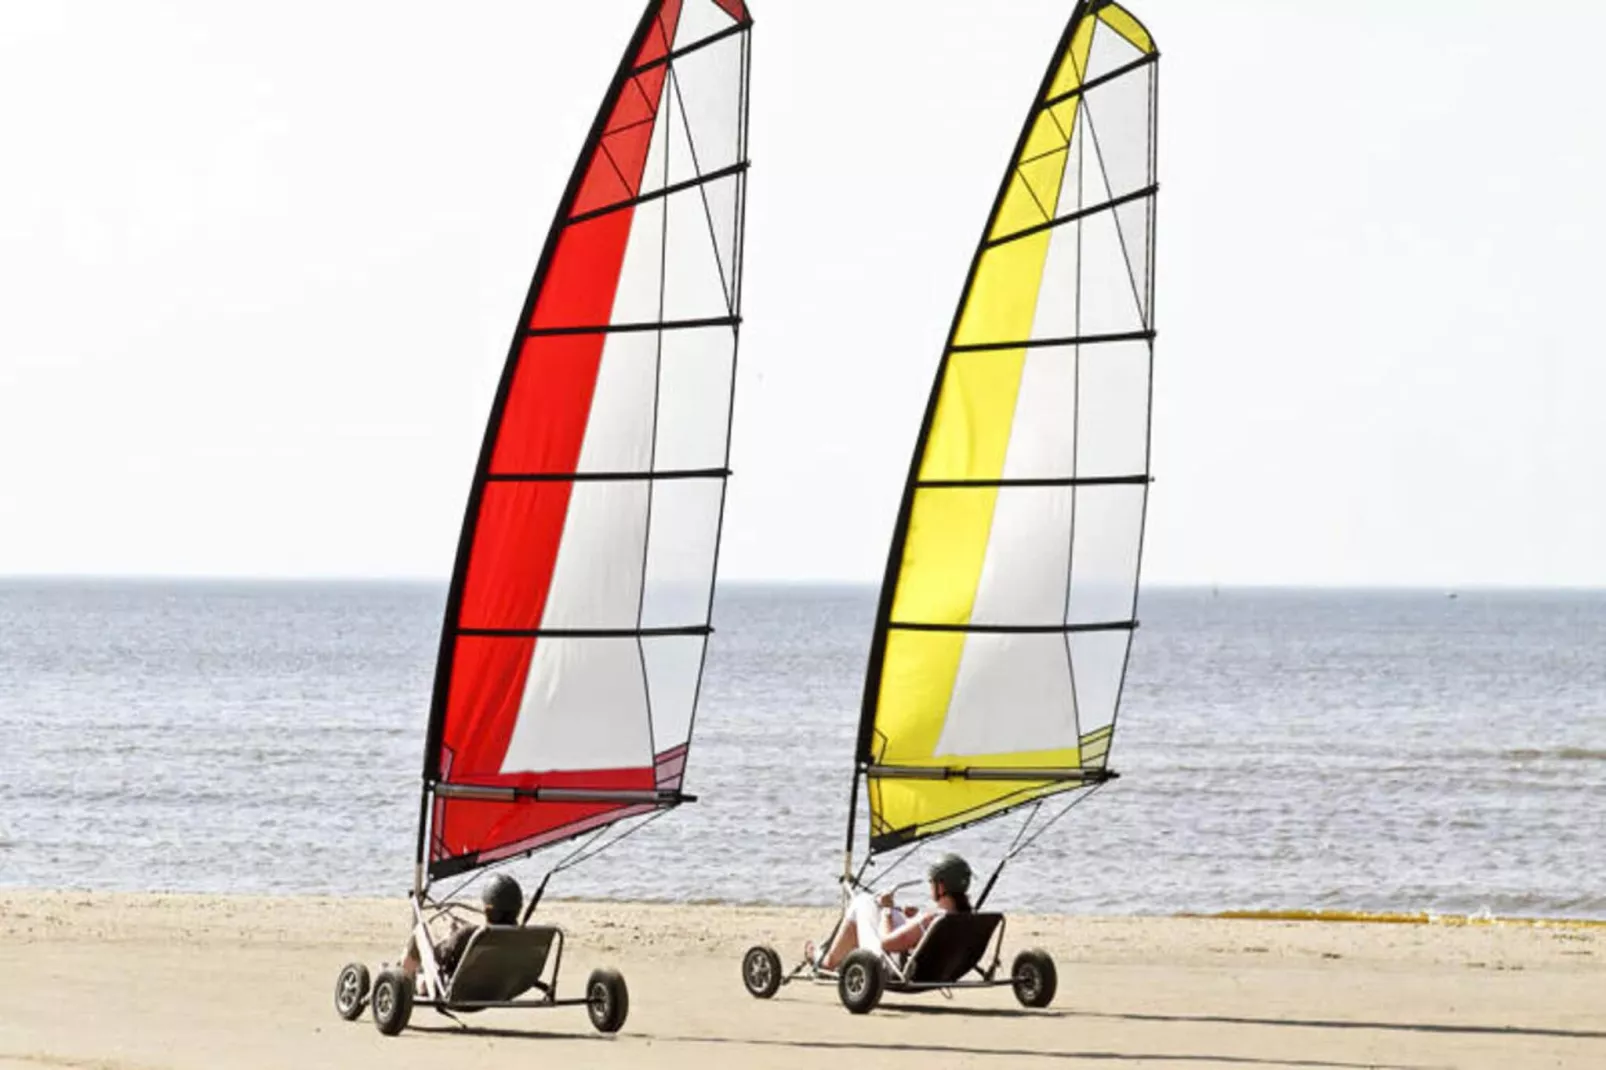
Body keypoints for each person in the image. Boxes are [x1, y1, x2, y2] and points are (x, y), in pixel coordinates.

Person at [805, 853, 974, 971]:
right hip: (936, 968)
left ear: (941, 886)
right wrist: (909, 918)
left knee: (862, 901)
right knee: (891, 912)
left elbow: (886, 943)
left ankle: (828, 961)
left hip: (886, 967)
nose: (930, 886)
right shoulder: (967, 919)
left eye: (932, 882)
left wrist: (886, 910)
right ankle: (840, 957)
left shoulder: (932, 919)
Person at [402, 873, 523, 981]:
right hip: (498, 988)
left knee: (421, 931)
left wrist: (451, 938)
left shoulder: (471, 934)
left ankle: (402, 973)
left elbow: (439, 959)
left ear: (487, 910)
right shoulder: (522, 938)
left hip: (461, 989)